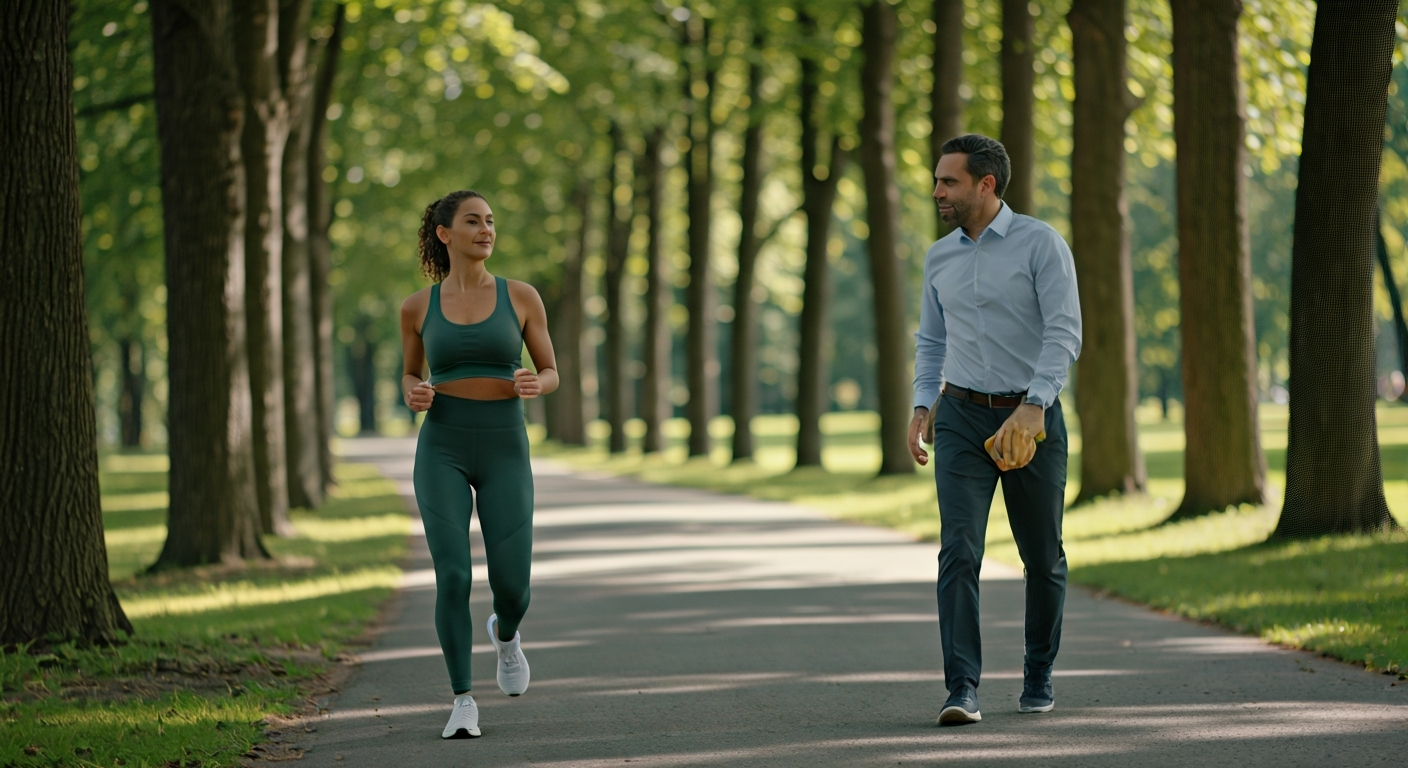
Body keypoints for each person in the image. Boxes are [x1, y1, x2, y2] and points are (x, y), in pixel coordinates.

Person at [907, 134, 1082, 725]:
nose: (937, 191)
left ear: (987, 184)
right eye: (937, 180)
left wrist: (1035, 406)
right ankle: (962, 687)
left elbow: (1063, 333)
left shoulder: (1041, 244)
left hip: (1029, 416)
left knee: (1042, 556)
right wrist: (922, 405)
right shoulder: (940, 256)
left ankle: (1039, 671)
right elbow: (931, 339)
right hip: (958, 415)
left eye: (949, 181)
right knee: (959, 547)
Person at [399, 189, 559, 739]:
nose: (486, 229)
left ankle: (507, 636)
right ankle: (462, 698)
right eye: (473, 221)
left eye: (490, 221)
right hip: (441, 445)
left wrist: (538, 382)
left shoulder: (521, 297)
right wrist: (413, 393)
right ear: (445, 234)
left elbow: (551, 369)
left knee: (513, 586)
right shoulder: (417, 307)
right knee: (453, 574)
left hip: (504, 446)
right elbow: (410, 374)